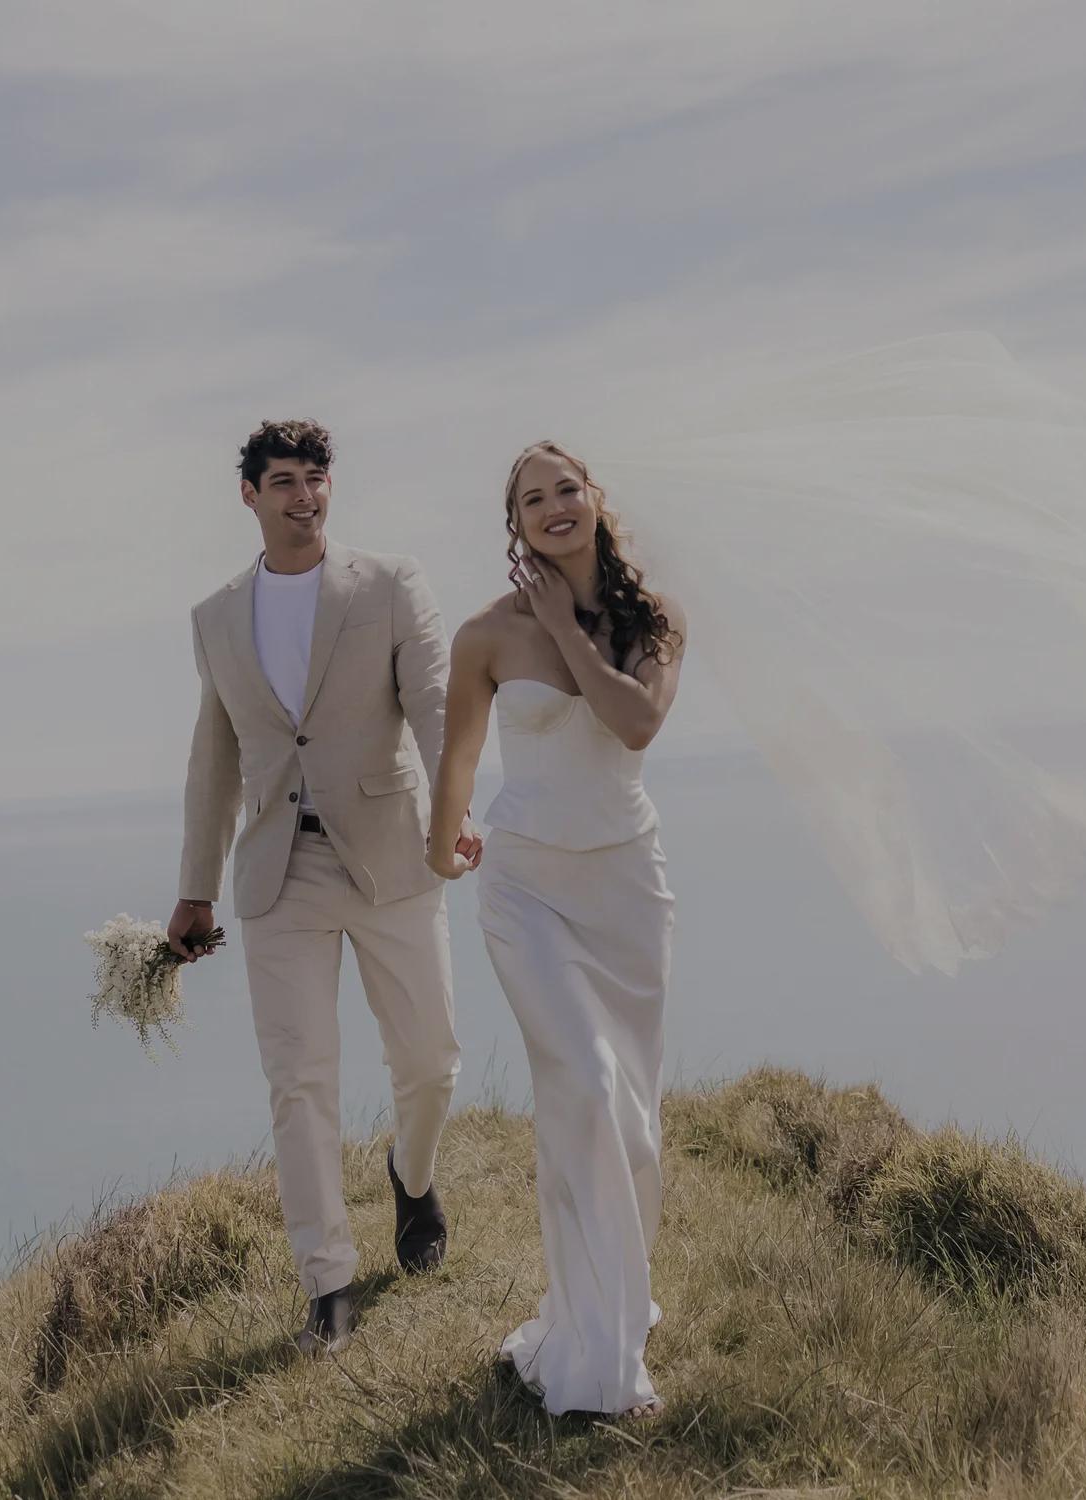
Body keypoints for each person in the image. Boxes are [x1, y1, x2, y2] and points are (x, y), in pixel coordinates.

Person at [169, 418, 480, 1355]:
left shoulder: (388, 584)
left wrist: (454, 812)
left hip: (392, 853)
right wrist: (193, 888)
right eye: (284, 481)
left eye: (316, 477)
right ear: (250, 496)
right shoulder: (216, 615)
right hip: (278, 871)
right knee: (298, 1081)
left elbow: (433, 703)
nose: (304, 495)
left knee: (430, 1063)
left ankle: (411, 1174)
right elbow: (214, 758)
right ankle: (329, 1287)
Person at [427, 441, 684, 1420]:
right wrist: (438, 841)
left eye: (564, 489)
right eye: (531, 499)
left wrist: (564, 627)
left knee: (634, 1128)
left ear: (593, 499)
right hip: (526, 888)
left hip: (627, 890)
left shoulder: (652, 623)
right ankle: (594, 1351)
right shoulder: (483, 636)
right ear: (515, 524)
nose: (552, 508)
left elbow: (634, 725)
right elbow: (456, 758)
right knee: (580, 1080)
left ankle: (614, 1302)